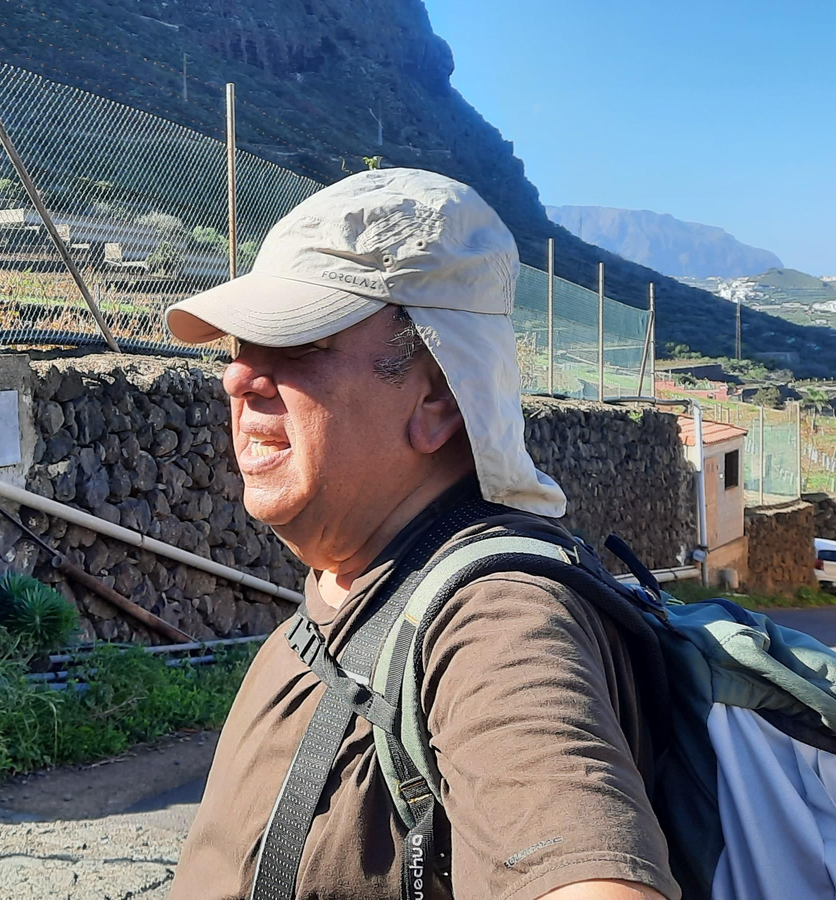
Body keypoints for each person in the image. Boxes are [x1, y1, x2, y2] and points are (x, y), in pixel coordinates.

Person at [165, 169, 676, 900]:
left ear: (436, 394)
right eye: (241, 344)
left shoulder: (497, 621)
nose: (237, 379)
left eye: (299, 343)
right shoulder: (348, 591)